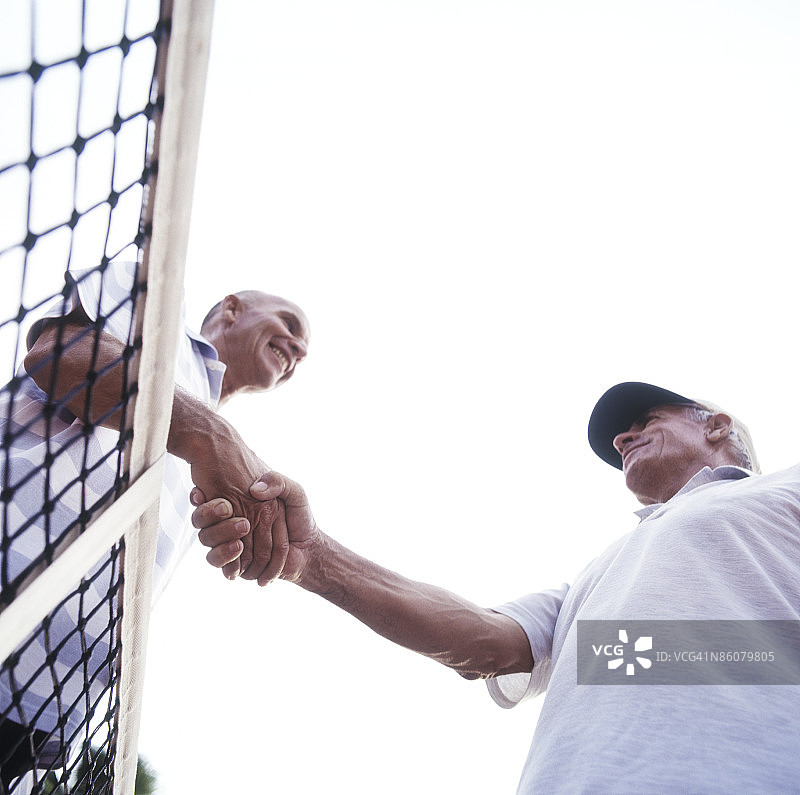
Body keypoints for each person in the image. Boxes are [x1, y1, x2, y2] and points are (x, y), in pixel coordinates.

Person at [192, 381, 800, 793]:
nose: (621, 440)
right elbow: (484, 641)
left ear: (716, 425)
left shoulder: (782, 493)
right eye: (621, 437)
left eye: (645, 421)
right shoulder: (598, 577)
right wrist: (311, 556)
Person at [0, 260, 309, 789]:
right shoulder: (162, 298)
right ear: (233, 308)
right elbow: (57, 355)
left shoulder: (233, 470)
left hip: (41, 705)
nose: (298, 350)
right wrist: (207, 432)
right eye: (290, 326)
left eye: (304, 353)